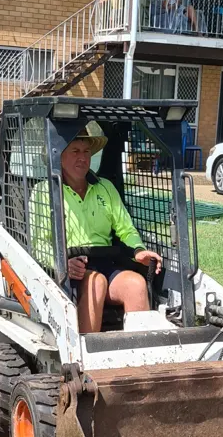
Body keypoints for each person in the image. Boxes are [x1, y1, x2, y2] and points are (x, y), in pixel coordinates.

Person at [31, 124, 162, 334]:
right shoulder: (44, 192)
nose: (82, 158)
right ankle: (86, 359)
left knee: (136, 284)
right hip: (68, 269)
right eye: (75, 151)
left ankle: (139, 357)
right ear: (59, 156)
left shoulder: (106, 188)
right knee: (96, 283)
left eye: (86, 152)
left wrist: (138, 251)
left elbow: (126, 229)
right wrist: (61, 263)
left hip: (105, 261)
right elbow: (39, 244)